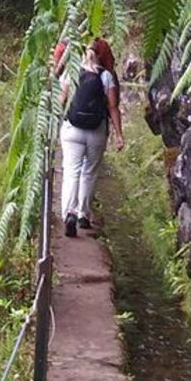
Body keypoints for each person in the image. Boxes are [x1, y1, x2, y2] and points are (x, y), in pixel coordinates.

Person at [57, 37, 122, 238]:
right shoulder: (106, 76)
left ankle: (69, 213)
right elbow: (113, 106)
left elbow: (61, 100)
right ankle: (83, 215)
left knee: (71, 171)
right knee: (89, 172)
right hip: (96, 131)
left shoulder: (71, 71)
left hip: (72, 129)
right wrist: (119, 134)